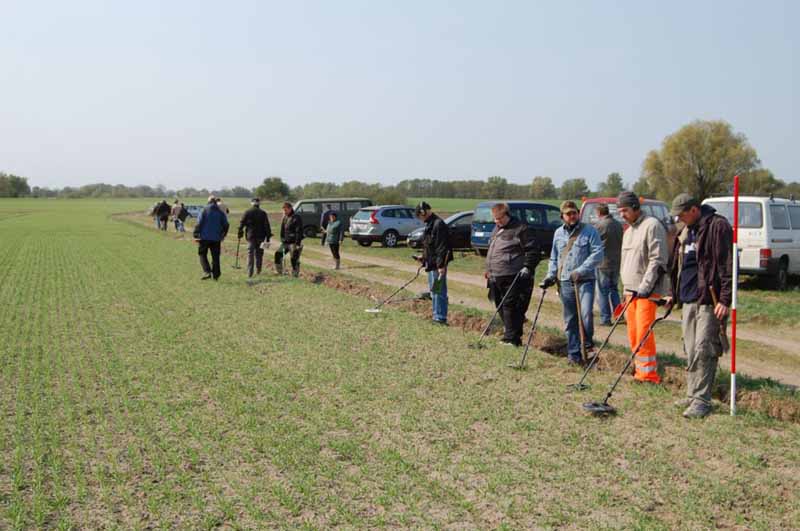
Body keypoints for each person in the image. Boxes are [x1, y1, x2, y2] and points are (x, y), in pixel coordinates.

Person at [669, 194, 732, 418]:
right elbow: (679, 265)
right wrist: (673, 294)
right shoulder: (686, 230)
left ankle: (702, 401)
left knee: (705, 348)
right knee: (691, 348)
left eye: (682, 214)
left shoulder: (718, 226)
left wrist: (725, 299)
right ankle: (692, 393)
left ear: (694, 209)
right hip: (687, 297)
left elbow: (727, 264)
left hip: (709, 299)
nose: (679, 218)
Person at [540, 200, 604, 365]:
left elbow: (598, 254)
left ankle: (588, 345)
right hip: (565, 282)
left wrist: (580, 270)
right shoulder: (558, 234)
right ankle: (574, 354)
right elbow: (554, 258)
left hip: (585, 280)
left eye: (574, 212)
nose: (572, 216)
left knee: (586, 314)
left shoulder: (590, 231)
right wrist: (550, 275)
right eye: (568, 214)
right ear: (563, 216)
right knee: (570, 319)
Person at [617, 191, 671, 384]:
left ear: (635, 208)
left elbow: (657, 260)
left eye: (625, 210)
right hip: (630, 291)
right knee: (632, 332)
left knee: (643, 332)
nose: (622, 214)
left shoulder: (652, 226)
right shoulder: (628, 231)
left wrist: (645, 287)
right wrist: (624, 289)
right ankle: (639, 371)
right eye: (619, 211)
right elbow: (625, 262)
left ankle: (649, 376)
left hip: (647, 292)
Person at [484, 203, 539, 346]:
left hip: (513, 275)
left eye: (499, 219)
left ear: (507, 214)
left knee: (510, 305)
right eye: (495, 219)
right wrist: (489, 270)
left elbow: (533, 250)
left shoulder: (521, 229)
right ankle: (511, 332)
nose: (497, 222)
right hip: (495, 275)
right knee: (499, 304)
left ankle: (511, 338)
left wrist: (527, 266)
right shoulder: (497, 229)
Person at [414, 202, 453, 325]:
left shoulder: (438, 224)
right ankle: (436, 315)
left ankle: (440, 318)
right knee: (434, 291)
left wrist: (441, 266)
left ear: (423, 213)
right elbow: (429, 246)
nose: (420, 219)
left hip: (438, 265)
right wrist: (423, 258)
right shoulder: (430, 224)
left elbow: (442, 248)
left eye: (419, 216)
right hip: (432, 264)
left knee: (439, 291)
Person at [594, 203, 623, 325]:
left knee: (603, 291)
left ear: (599, 213)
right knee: (614, 289)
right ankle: (619, 316)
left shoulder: (599, 226)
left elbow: (593, 243)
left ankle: (605, 318)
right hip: (616, 261)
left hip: (603, 262)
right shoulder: (618, 225)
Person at [193, 195, 229, 280]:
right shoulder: (220, 212)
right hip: (216, 238)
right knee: (215, 257)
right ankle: (216, 275)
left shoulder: (204, 210)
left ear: (208, 201)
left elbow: (199, 223)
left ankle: (207, 271)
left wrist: (195, 234)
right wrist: (223, 235)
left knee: (202, 254)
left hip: (204, 237)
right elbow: (226, 224)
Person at [237, 197, 273, 277]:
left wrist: (240, 232)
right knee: (259, 254)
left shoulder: (247, 212)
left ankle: (250, 272)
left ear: (252, 203)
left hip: (251, 236)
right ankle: (258, 270)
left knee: (250, 254)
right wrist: (268, 236)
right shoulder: (263, 213)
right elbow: (267, 225)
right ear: (259, 204)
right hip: (261, 236)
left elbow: (242, 223)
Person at [275, 202, 304, 277]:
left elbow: (299, 231)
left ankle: (295, 274)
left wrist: (297, 244)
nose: (284, 212)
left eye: (286, 210)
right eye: (283, 210)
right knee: (277, 254)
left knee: (294, 258)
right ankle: (279, 271)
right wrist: (282, 239)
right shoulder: (285, 217)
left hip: (294, 242)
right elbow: (282, 230)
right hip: (285, 242)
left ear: (290, 208)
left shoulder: (297, 217)